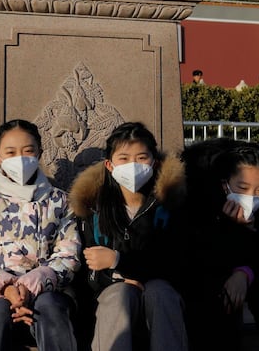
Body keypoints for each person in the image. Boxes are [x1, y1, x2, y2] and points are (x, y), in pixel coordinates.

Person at [0, 119, 81, 351]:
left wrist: (31, 285)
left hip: (50, 290)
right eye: (11, 152)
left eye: (28, 151)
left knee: (50, 308)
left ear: (40, 153)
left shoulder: (61, 201)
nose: (20, 159)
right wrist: (6, 288)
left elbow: (69, 254)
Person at [69, 122, 189, 351]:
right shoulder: (93, 208)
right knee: (119, 293)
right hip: (112, 298)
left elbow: (174, 264)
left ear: (154, 162)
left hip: (160, 295)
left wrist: (118, 262)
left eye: (142, 157)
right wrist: (122, 278)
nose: (133, 165)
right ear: (110, 165)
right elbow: (92, 271)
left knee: (160, 291)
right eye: (124, 158)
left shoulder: (170, 207)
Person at [181, 139, 259, 351]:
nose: (251, 197)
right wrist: (229, 228)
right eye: (243, 187)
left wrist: (244, 272)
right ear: (224, 184)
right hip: (204, 268)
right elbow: (197, 252)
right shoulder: (198, 196)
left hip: (251, 268)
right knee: (213, 295)